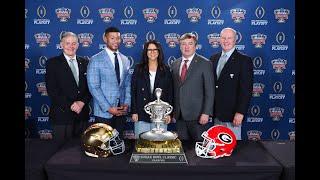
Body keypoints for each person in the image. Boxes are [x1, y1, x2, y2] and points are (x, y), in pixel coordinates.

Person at [45, 31, 92, 143]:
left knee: (81, 152)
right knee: (61, 154)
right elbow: (52, 90)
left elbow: (91, 87)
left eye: (74, 43)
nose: (71, 46)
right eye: (68, 43)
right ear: (61, 45)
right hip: (62, 116)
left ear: (78, 45)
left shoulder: (86, 62)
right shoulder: (52, 63)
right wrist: (71, 105)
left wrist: (81, 103)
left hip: (82, 115)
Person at [87, 26, 131, 139]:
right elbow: (94, 87)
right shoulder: (95, 59)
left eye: (118, 38)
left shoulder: (125, 60)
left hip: (121, 111)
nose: (116, 41)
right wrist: (108, 108)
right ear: (105, 38)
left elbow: (127, 85)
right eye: (112, 38)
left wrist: (126, 104)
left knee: (118, 145)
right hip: (103, 113)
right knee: (103, 146)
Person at [210, 27, 253, 140]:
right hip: (216, 115)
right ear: (219, 40)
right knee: (218, 148)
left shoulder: (244, 60)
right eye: (223, 38)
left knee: (233, 150)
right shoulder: (213, 59)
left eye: (229, 38)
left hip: (233, 116)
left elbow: (246, 90)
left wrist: (240, 112)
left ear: (235, 40)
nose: (226, 41)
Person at [171, 33, 215, 142]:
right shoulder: (175, 64)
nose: (186, 47)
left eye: (190, 44)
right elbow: (173, 90)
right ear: (180, 46)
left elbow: (210, 91)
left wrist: (206, 113)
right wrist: (172, 113)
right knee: (183, 148)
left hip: (198, 116)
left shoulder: (205, 63)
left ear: (195, 46)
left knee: (199, 149)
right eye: (183, 44)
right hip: (179, 115)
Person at [131, 40, 173, 139]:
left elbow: (170, 93)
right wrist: (134, 111)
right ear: (146, 52)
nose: (152, 52)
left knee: (159, 145)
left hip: (161, 115)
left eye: (155, 50)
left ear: (159, 52)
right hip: (141, 114)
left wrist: (169, 113)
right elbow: (133, 91)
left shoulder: (166, 70)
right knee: (142, 145)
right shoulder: (138, 69)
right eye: (149, 50)